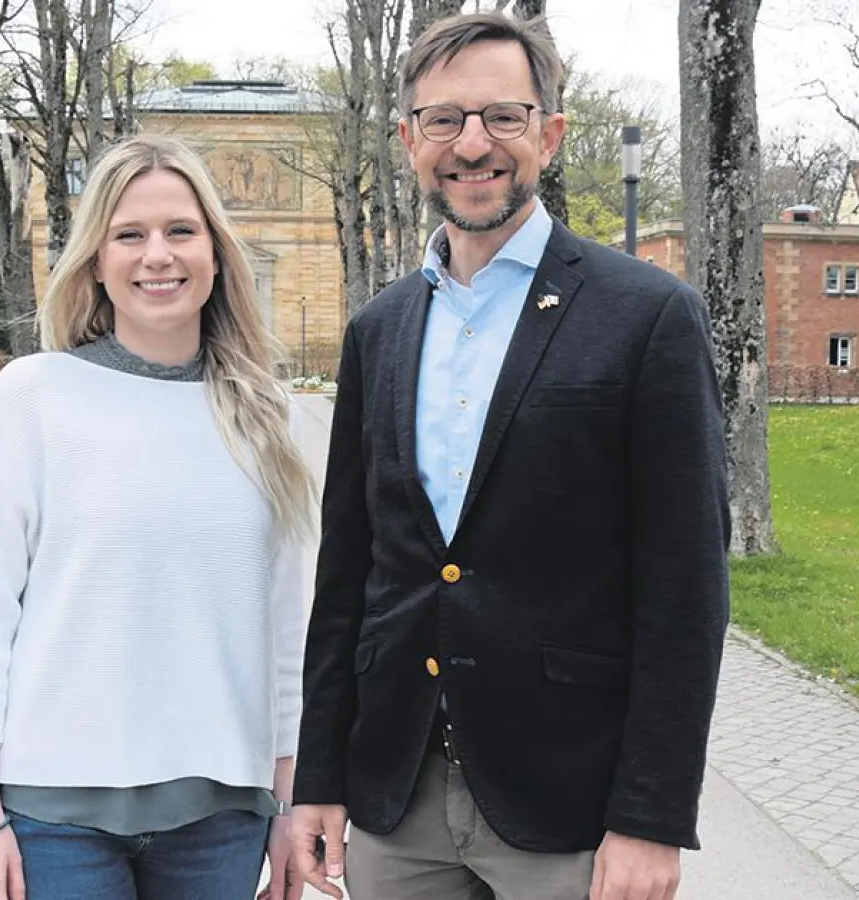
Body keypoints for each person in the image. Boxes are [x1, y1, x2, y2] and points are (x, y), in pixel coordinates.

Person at [287, 11, 731, 900]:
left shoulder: (646, 316)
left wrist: (650, 814)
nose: (473, 144)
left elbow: (686, 589)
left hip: (566, 801)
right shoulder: (379, 331)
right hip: (395, 795)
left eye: (504, 117)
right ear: (411, 138)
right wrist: (320, 780)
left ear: (550, 135)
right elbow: (350, 573)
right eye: (445, 119)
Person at [0, 134, 314, 900]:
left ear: (216, 252)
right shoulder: (33, 397)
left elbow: (287, 632)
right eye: (129, 235)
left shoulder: (270, 418)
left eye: (180, 231)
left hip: (221, 818)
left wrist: (288, 801)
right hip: (51, 819)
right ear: (96, 260)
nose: (156, 255)